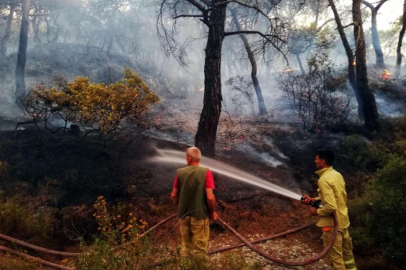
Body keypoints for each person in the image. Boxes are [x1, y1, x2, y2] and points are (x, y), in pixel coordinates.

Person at [303, 149, 357, 270]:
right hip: (343, 222)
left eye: (316, 158)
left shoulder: (323, 180)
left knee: (336, 260)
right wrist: (314, 199)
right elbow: (336, 198)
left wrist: (316, 211)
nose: (315, 161)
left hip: (332, 226)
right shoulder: (337, 175)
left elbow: (331, 206)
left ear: (322, 161)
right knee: (348, 255)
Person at [170, 147, 218, 260]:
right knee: (200, 249)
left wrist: (180, 207)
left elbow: (173, 195)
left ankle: (185, 266)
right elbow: (210, 197)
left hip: (183, 215)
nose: (186, 159)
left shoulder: (180, 172)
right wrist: (212, 212)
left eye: (186, 157)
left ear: (190, 158)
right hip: (200, 216)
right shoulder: (206, 172)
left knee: (186, 246)